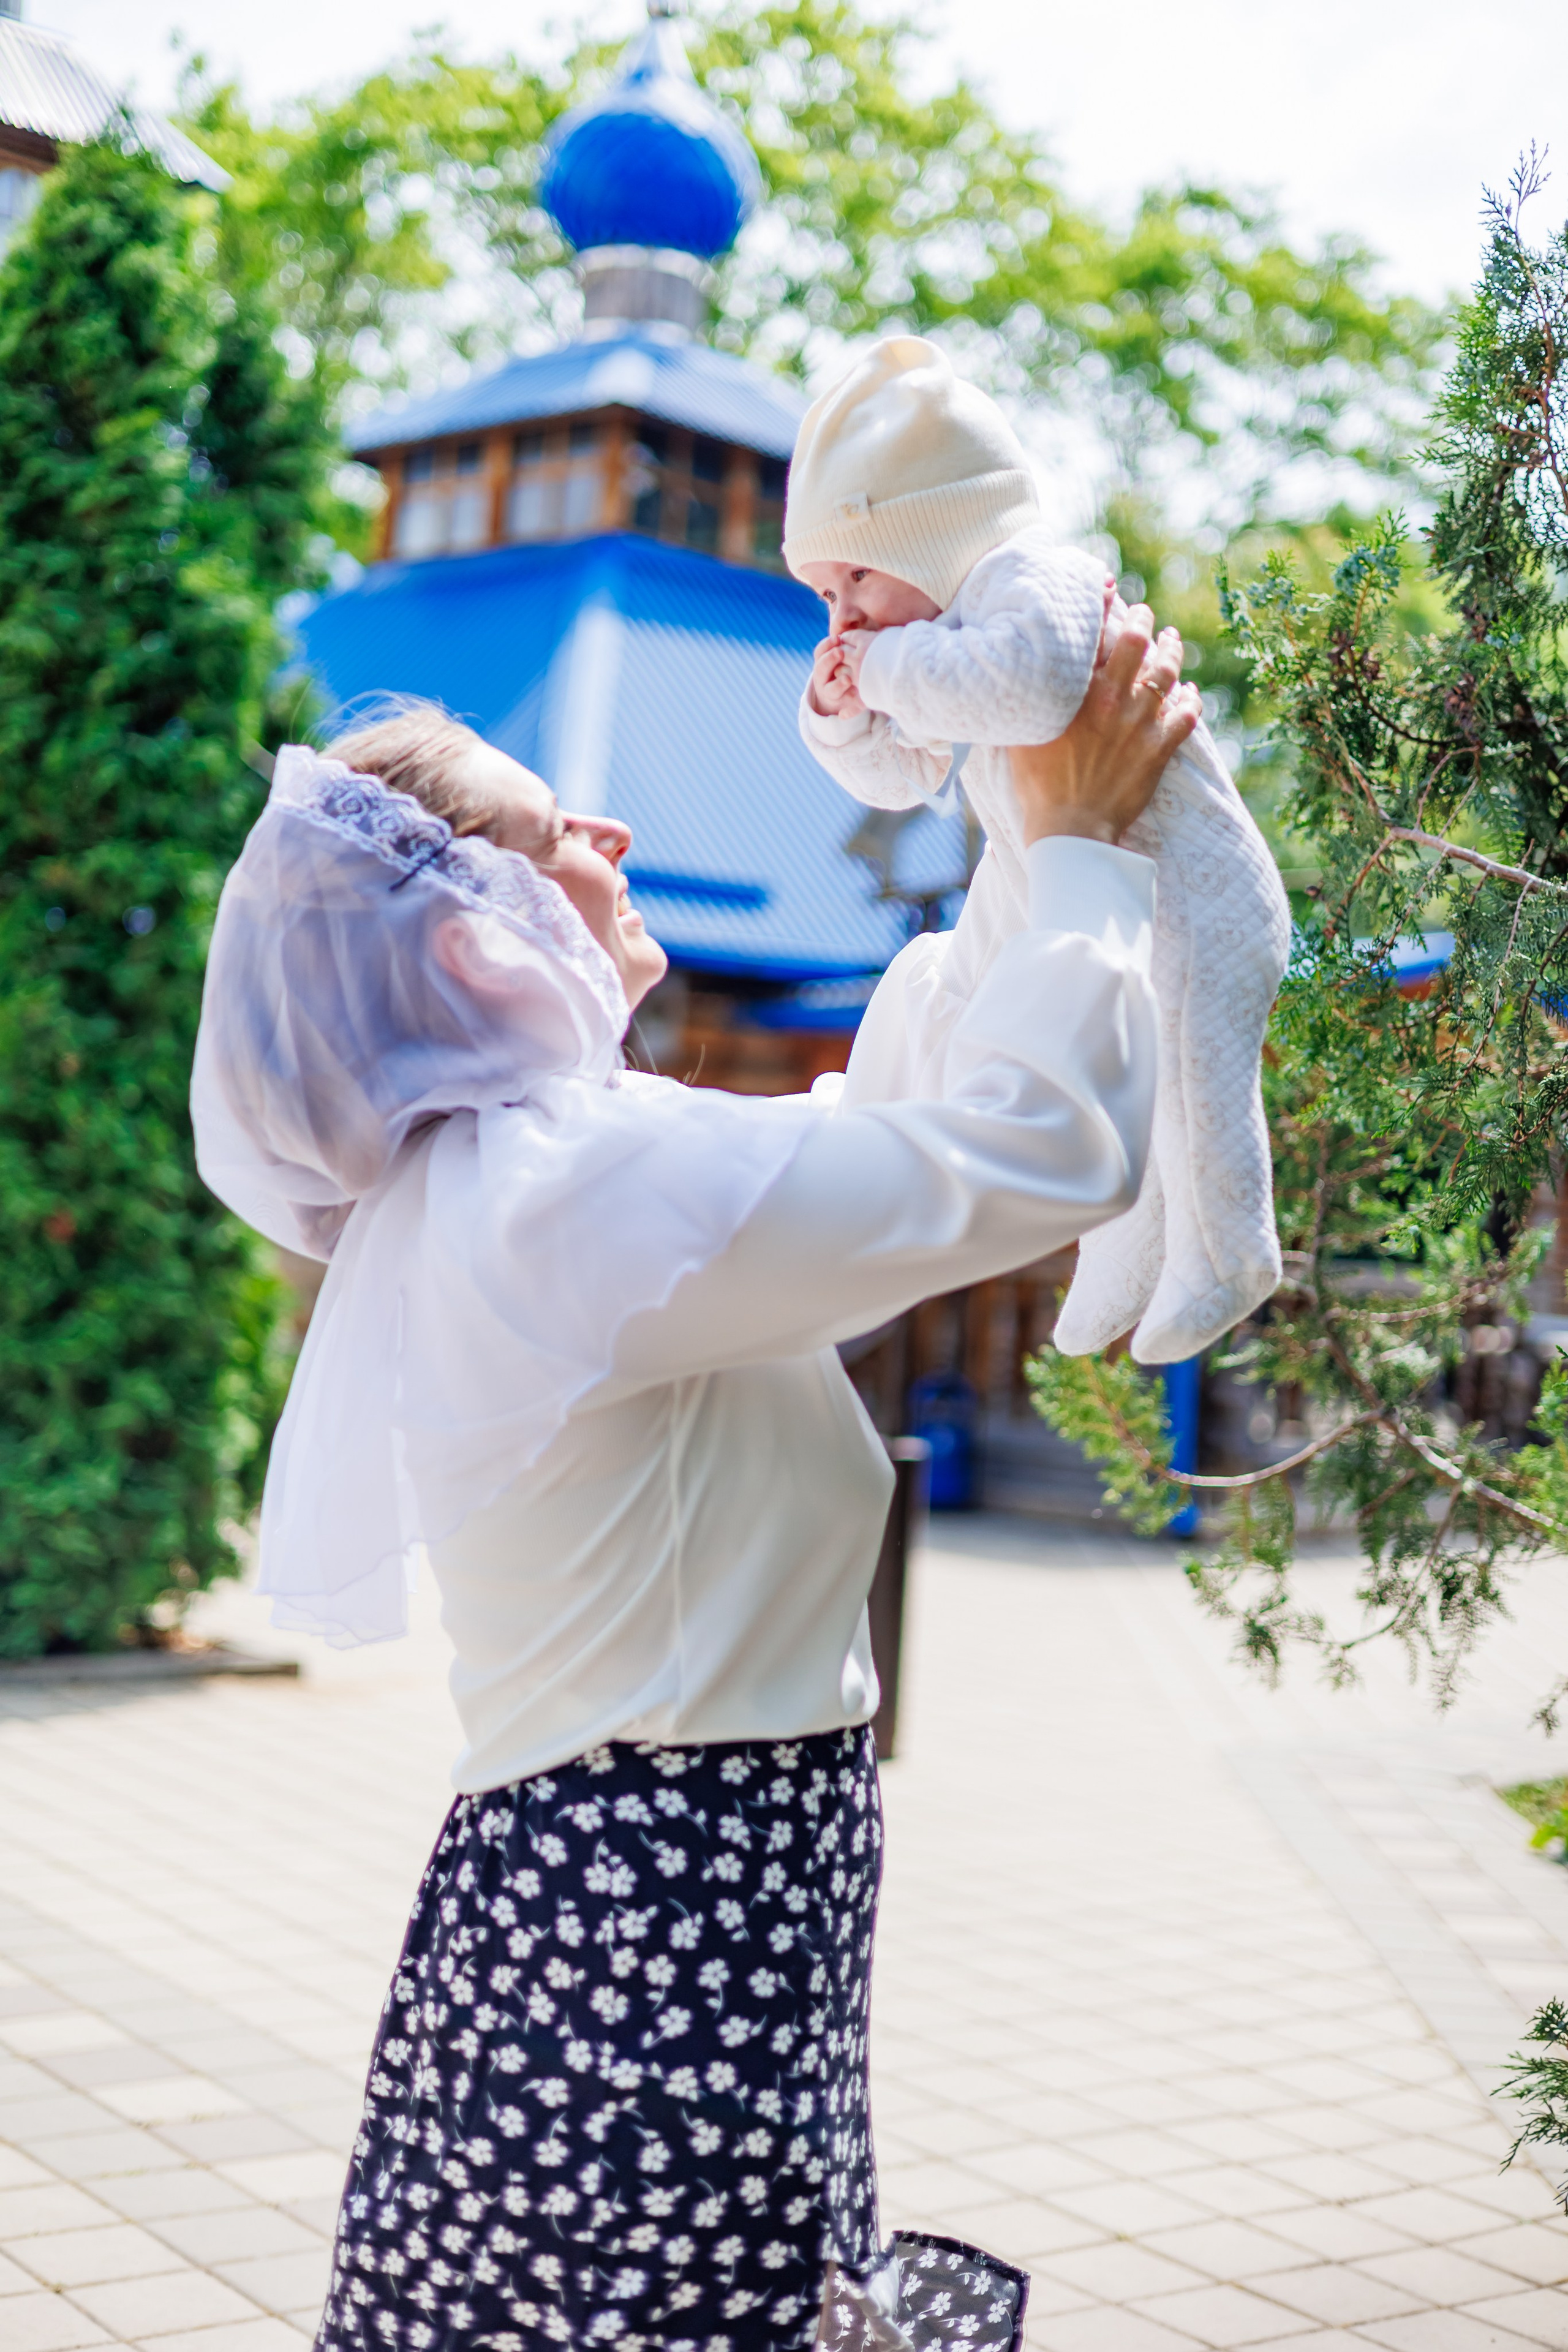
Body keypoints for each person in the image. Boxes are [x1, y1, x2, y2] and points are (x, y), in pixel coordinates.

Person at [189, 624, 1197, 2352]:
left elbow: (872, 1152)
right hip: (660, 1923)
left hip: (628, 1906)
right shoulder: (554, 1192)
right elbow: (1025, 1159)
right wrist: (1089, 844)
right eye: (557, 825)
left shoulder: (523, 1181)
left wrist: (1007, 789)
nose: (618, 837)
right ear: (467, 930)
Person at [787, 336, 1291, 1370]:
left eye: (851, 582)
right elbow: (903, 778)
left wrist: (883, 664)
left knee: (1195, 1085)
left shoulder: (1036, 578)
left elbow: (1034, 685)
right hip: (1082, 880)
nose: (842, 620)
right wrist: (842, 714)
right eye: (828, 604)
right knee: (1094, 1067)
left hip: (1198, 893)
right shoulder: (950, 645)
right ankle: (1119, 1252)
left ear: (928, 532)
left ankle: (1230, 1249)